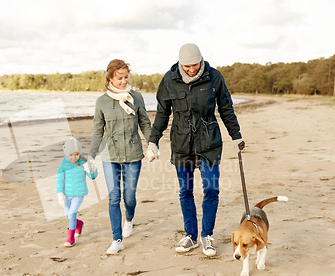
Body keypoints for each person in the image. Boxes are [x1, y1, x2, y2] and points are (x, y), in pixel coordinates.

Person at [147, 43, 245, 256]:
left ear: (201, 60)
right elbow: (162, 113)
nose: (192, 69)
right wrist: (153, 141)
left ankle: (207, 235)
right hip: (181, 144)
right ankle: (191, 236)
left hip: (209, 143)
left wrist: (236, 136)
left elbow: (226, 109)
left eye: (195, 65)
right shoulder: (169, 80)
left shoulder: (214, 77)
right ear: (180, 64)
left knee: (211, 189)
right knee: (186, 191)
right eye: (187, 66)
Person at [87, 59, 152, 255]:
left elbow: (145, 124)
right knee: (114, 197)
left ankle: (129, 219)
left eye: (126, 77)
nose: (124, 81)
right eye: (120, 78)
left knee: (129, 197)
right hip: (110, 155)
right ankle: (117, 239)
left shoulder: (137, 97)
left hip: (133, 153)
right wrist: (90, 156)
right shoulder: (102, 102)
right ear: (110, 78)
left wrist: (153, 144)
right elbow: (98, 131)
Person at [56, 137, 98, 247]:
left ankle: (70, 239)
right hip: (67, 194)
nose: (74, 157)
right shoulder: (64, 164)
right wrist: (59, 193)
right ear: (66, 154)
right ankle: (78, 224)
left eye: (76, 154)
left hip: (79, 194)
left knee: (71, 214)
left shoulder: (83, 162)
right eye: (71, 155)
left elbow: (92, 176)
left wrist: (91, 169)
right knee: (67, 214)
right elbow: (60, 179)